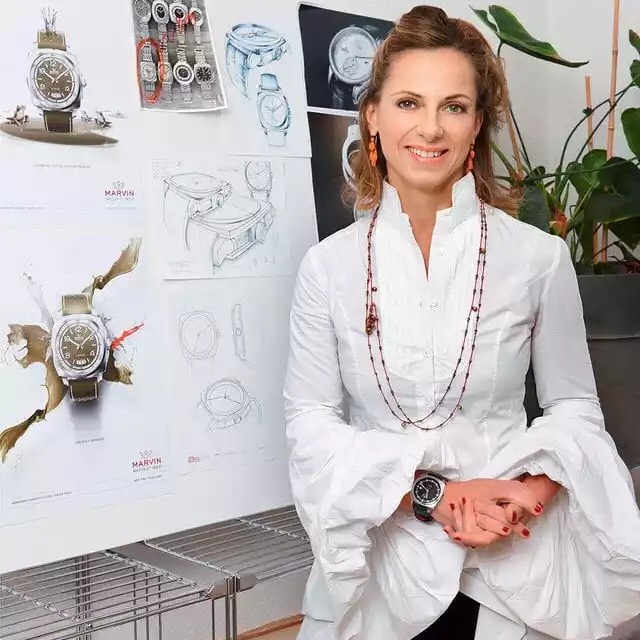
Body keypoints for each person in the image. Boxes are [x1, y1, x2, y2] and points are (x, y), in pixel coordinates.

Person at [283, 5, 640, 640]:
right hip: (381, 565)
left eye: (453, 106)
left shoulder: (538, 258)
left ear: (476, 123)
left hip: (516, 567)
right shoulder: (328, 268)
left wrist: (524, 496)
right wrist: (435, 499)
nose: (430, 127)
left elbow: (575, 408)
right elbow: (310, 426)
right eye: (408, 103)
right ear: (373, 115)